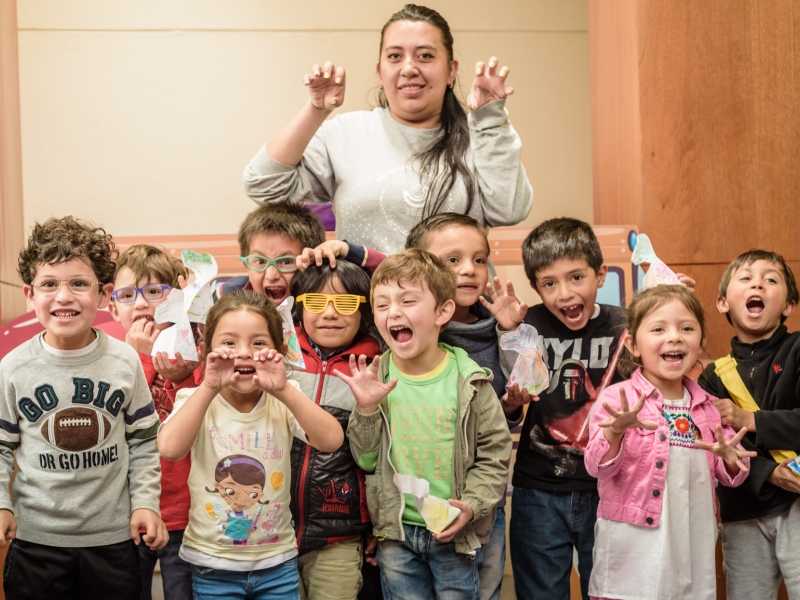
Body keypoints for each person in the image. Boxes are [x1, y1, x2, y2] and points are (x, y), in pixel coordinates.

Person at [242, 4, 532, 255]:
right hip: (367, 314)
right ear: (380, 72)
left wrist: (490, 118)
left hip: (460, 315)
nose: (408, 68)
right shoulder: (346, 133)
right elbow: (263, 185)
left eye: (425, 56)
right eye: (395, 56)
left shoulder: (480, 135)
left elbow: (509, 211)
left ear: (452, 70)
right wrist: (317, 109)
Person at [0, 216, 167, 599]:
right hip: (36, 541)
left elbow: (143, 441)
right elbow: (1, 446)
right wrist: (1, 504)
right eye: (49, 285)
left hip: (111, 540)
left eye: (79, 284)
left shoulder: (125, 362)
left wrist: (145, 503)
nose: (63, 297)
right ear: (29, 294)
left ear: (104, 294)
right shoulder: (13, 368)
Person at [339, 249, 512, 600]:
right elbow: (366, 459)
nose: (394, 312)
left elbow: (494, 456)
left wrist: (472, 506)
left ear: (443, 311)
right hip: (397, 536)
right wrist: (367, 408)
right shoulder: (376, 378)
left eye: (407, 300)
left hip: (454, 533)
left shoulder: (471, 381)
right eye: (383, 304)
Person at [157, 291, 343, 600]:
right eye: (229, 343)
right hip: (212, 565)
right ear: (205, 351)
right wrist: (208, 385)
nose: (243, 352)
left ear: (279, 351)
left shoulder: (284, 398)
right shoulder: (195, 400)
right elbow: (170, 449)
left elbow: (331, 440)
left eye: (258, 343)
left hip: (277, 563)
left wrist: (284, 390)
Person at [584, 285, 753, 600]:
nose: (674, 336)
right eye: (659, 328)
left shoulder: (708, 407)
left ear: (701, 341)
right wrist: (615, 431)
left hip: (690, 542)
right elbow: (596, 467)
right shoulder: (618, 400)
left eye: (686, 328)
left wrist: (731, 457)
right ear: (633, 344)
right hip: (632, 547)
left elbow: (735, 474)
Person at [405, 213, 512, 600]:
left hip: (481, 508)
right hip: (412, 513)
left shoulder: (499, 330)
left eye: (479, 259)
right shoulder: (404, 336)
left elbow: (502, 421)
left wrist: (512, 334)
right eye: (453, 260)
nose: (469, 269)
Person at [698, 250, 800, 599]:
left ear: (788, 305)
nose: (758, 282)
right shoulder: (712, 376)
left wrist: (749, 419)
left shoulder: (798, 349)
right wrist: (769, 473)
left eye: (771, 279)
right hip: (742, 510)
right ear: (723, 303)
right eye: (746, 278)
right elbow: (718, 444)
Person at [289, 260, 380, 600]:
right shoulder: (280, 357)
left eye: (344, 304)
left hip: (340, 533)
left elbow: (377, 455)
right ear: (299, 308)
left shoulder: (376, 366)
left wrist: (377, 522)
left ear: (364, 313)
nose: (329, 313)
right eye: (315, 302)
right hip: (272, 530)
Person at [108, 244, 194, 600]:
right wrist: (142, 359)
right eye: (128, 295)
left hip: (187, 515)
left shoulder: (193, 357)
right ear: (113, 307)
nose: (141, 304)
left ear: (177, 299)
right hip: (127, 513)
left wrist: (183, 379)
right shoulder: (111, 361)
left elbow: (201, 423)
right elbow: (115, 419)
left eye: (154, 292)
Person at [218, 200, 327, 303]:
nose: (271, 276)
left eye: (286, 262)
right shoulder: (227, 297)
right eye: (260, 261)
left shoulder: (326, 306)